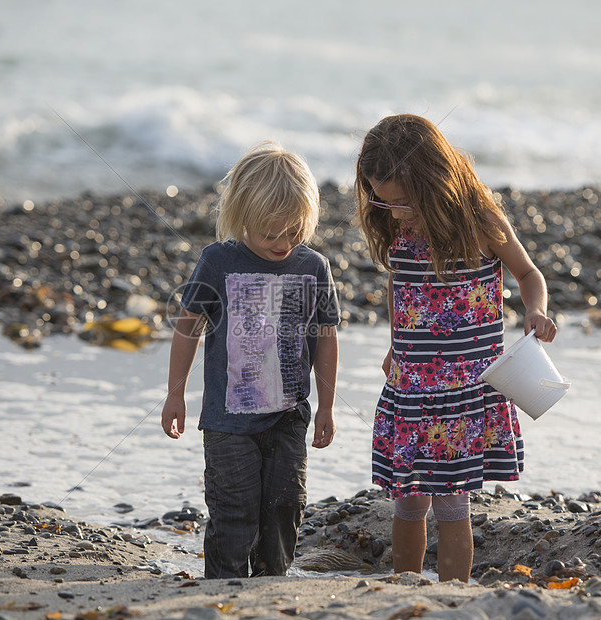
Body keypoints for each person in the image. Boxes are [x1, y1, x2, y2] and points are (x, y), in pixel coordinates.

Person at [355, 114, 557, 583]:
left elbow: (529, 274)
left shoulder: (481, 221)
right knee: (406, 502)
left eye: (404, 202)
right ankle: (403, 587)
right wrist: (394, 343)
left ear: (434, 180)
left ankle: (453, 592)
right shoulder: (397, 226)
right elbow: (399, 286)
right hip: (411, 387)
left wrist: (535, 310)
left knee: (451, 504)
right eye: (383, 203)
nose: (396, 213)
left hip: (463, 392)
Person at [161, 141, 340, 579]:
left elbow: (326, 337)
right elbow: (188, 326)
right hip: (227, 422)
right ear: (243, 219)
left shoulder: (313, 267)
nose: (283, 243)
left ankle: (271, 586)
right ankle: (221, 587)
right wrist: (175, 393)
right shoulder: (218, 261)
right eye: (270, 234)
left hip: (289, 417)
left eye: (294, 231)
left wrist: (328, 406)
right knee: (233, 511)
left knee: (285, 508)